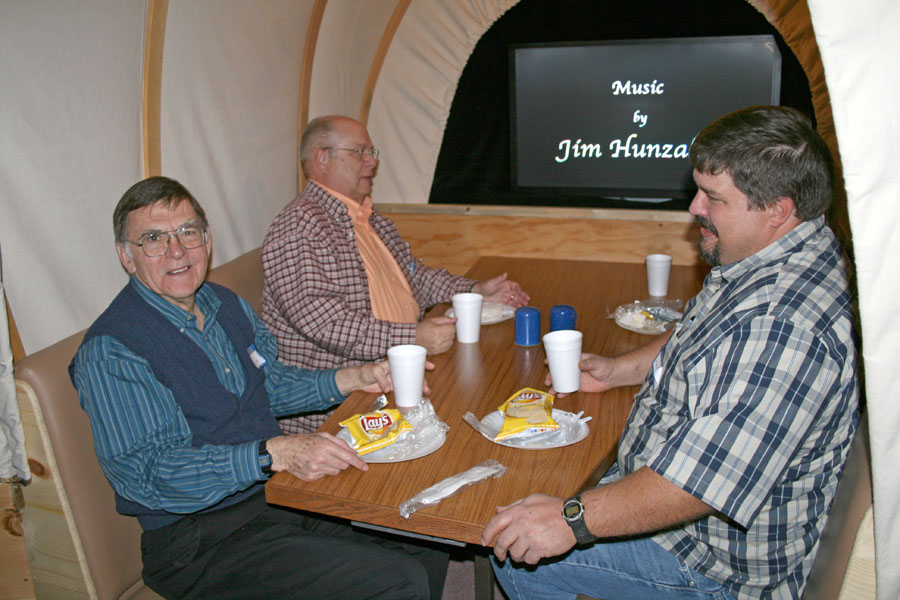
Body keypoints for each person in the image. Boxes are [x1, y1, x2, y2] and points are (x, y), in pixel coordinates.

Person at [482, 106, 859, 600]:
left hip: (712, 564)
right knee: (538, 482)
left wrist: (571, 519)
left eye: (714, 198)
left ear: (778, 210)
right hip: (687, 509)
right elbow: (700, 327)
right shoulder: (771, 254)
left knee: (521, 558)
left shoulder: (786, 327)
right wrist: (620, 370)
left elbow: (700, 485)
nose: (695, 208)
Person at [70, 176, 447, 600]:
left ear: (206, 239)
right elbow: (147, 475)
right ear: (127, 256)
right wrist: (272, 454)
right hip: (198, 540)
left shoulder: (222, 304)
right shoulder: (114, 350)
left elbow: (269, 385)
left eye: (187, 232)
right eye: (153, 239)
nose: (176, 251)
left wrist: (353, 377)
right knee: (394, 580)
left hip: (273, 497)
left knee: (421, 537)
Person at [262, 115, 530, 434]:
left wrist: (475, 289)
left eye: (372, 152)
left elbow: (415, 279)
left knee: (494, 400)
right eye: (360, 152)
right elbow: (325, 323)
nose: (371, 162)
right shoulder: (300, 228)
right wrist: (413, 337)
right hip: (342, 409)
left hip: (400, 372)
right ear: (322, 158)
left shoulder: (368, 218)